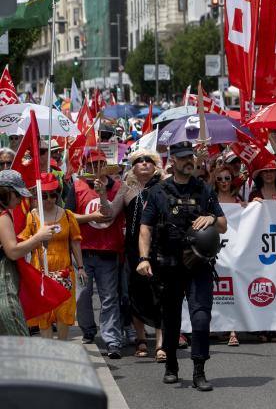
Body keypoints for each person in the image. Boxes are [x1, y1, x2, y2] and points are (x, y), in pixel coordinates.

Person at [137, 141, 227, 391]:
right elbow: (145, 228)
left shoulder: (204, 190)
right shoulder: (158, 192)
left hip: (198, 264)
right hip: (168, 265)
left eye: (191, 157)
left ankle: (199, 370)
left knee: (201, 318)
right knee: (171, 319)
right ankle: (172, 366)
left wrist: (211, 217)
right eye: (184, 158)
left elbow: (222, 224)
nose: (190, 161)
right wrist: (144, 258)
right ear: (172, 161)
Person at [67, 148, 128, 359]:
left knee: (109, 297)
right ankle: (88, 330)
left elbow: (112, 215)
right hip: (83, 251)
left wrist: (103, 195)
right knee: (83, 295)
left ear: (106, 165)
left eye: (100, 163)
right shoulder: (77, 186)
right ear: (85, 166)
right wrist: (91, 216)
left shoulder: (118, 187)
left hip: (108, 251)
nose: (96, 168)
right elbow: (68, 216)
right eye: (92, 164)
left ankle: (112, 339)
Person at [20, 173, 85, 340]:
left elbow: (75, 242)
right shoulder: (32, 217)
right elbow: (25, 241)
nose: (49, 199)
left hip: (64, 271)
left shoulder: (68, 216)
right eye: (44, 195)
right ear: (37, 196)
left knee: (63, 311)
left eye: (53, 195)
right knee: (44, 314)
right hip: (40, 273)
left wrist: (81, 267)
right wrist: (38, 238)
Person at [0, 170, 56, 335]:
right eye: (18, 195)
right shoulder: (3, 216)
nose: (20, 200)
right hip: (4, 287)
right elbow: (13, 252)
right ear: (7, 192)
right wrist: (38, 237)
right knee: (19, 341)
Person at [122, 149, 165, 361]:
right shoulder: (126, 190)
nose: (145, 163)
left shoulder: (164, 187)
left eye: (149, 160)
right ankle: (140, 338)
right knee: (135, 293)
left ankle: (160, 342)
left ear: (156, 165)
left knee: (160, 294)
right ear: (133, 166)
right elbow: (109, 213)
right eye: (140, 160)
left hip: (159, 246)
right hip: (132, 249)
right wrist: (102, 195)